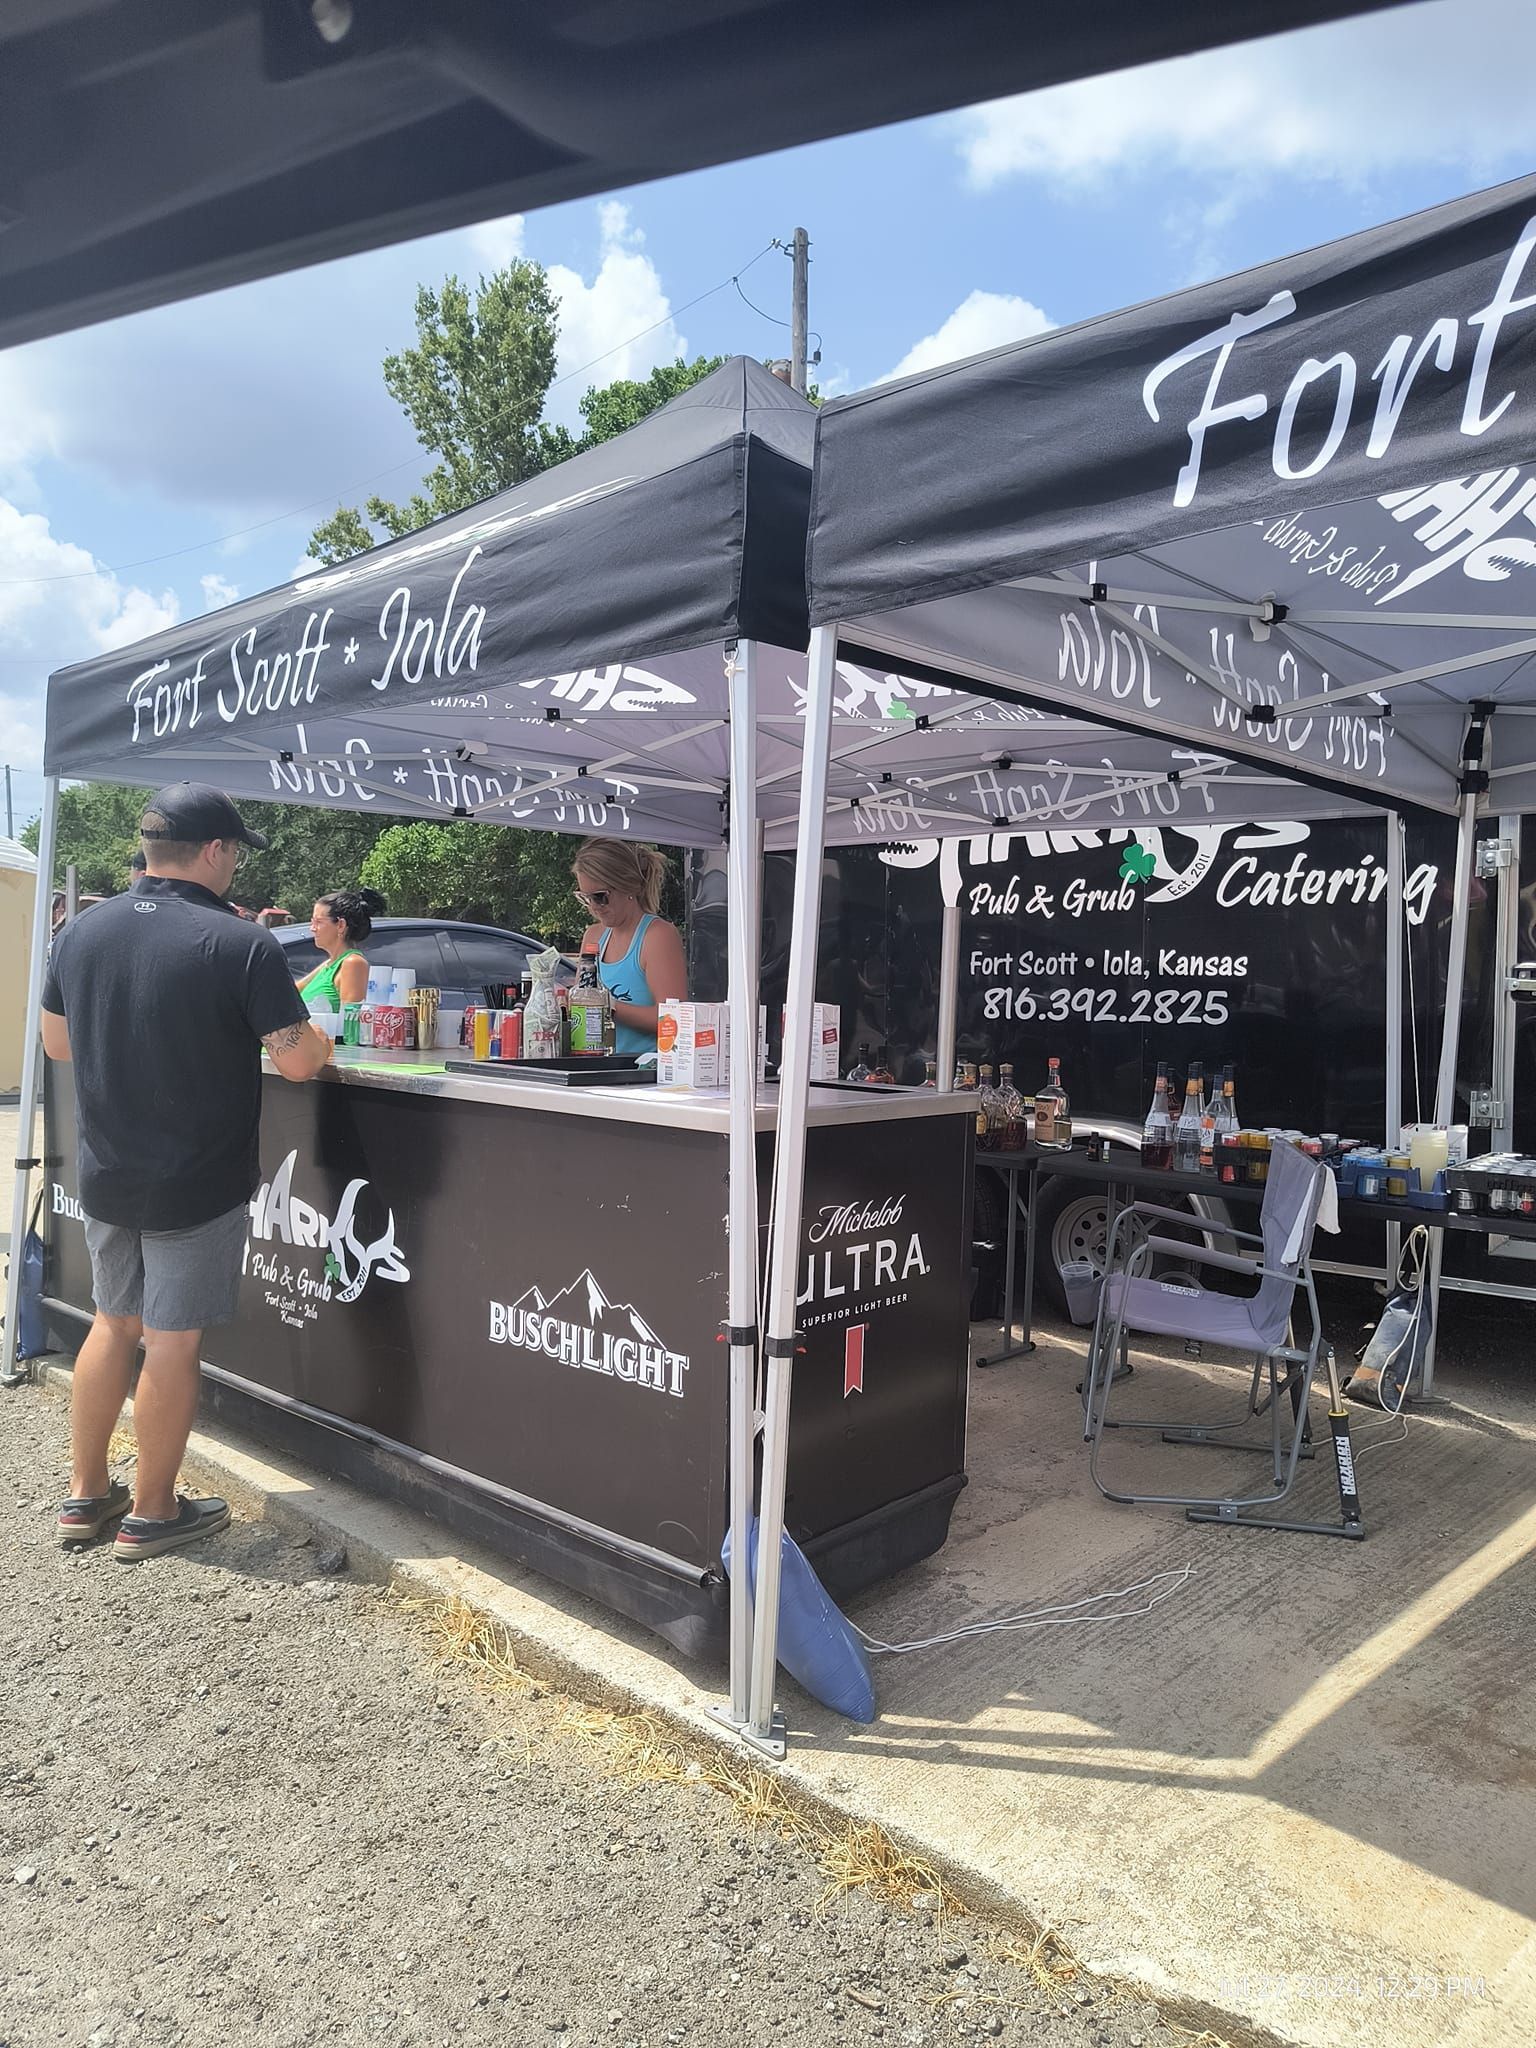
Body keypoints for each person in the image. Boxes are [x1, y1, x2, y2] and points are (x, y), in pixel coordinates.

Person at [40, 782, 333, 1561]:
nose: (235, 865)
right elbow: (299, 1060)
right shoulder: (239, 942)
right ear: (215, 851)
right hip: (195, 1178)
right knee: (170, 1341)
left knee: (112, 1321)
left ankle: (85, 1496)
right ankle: (153, 1511)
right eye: (235, 851)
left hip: (108, 1169)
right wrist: (324, 1042)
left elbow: (58, 1044)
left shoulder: (81, 932)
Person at [571, 838, 687, 1056]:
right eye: (585, 898)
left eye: (600, 897)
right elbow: (581, 1006)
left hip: (644, 1074)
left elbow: (674, 1020)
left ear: (628, 887)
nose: (594, 908)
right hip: (594, 1067)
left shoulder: (657, 935)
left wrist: (608, 1006)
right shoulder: (594, 935)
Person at [295, 887, 384, 1011]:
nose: (312, 928)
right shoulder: (330, 964)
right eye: (312, 922)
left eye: (318, 922)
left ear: (341, 925)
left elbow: (350, 1023)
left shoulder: (353, 963)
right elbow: (294, 991)